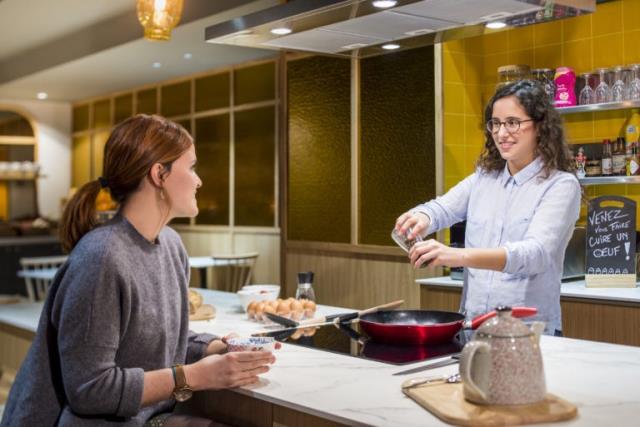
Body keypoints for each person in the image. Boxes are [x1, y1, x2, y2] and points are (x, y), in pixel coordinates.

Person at [1, 115, 277, 426]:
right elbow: (89, 389)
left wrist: (219, 347)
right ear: (159, 173)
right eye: (192, 167)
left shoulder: (171, 246)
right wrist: (193, 377)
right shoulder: (101, 257)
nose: (199, 180)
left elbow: (158, 344)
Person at [395, 80, 581, 335]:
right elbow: (442, 208)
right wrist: (421, 216)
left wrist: (456, 255)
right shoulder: (484, 178)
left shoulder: (560, 185)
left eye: (513, 123)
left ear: (540, 126)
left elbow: (534, 254)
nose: (502, 133)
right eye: (495, 123)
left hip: (526, 333)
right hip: (473, 328)